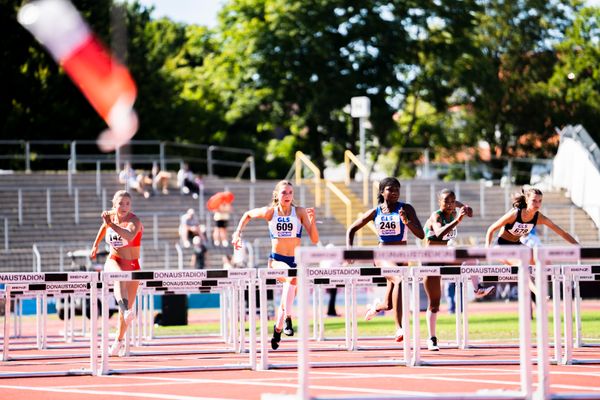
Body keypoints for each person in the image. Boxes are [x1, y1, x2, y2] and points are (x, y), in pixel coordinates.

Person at [231, 180, 319, 350]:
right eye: (284, 192)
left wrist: (312, 221)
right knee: (291, 276)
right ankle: (288, 319)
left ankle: (278, 330)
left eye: (290, 193)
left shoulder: (299, 212)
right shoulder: (270, 212)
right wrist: (237, 233)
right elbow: (247, 214)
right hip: (276, 261)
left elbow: (314, 239)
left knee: (288, 295)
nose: (287, 196)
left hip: (294, 261)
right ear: (277, 195)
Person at [346, 177, 424, 343]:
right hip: (382, 255)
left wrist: (407, 222)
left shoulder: (406, 208)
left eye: (397, 189)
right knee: (399, 279)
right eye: (390, 189)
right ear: (382, 192)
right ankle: (399, 328)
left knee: (388, 304)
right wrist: (349, 252)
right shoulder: (376, 212)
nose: (395, 192)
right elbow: (351, 229)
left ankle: (376, 307)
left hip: (402, 257)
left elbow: (421, 235)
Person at [422, 189, 493, 351]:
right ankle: (431, 339)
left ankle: (477, 288)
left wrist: (467, 208)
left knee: (471, 258)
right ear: (439, 202)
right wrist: (458, 220)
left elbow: (469, 212)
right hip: (430, 259)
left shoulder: (454, 209)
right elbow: (439, 233)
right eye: (445, 202)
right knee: (434, 304)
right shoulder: (437, 216)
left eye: (452, 202)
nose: (449, 205)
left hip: (446, 256)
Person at [485, 187, 578, 309]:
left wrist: (579, 248)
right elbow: (491, 229)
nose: (537, 204)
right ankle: (538, 292)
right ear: (527, 200)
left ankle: (542, 289)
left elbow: (562, 232)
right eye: (534, 200)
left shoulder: (539, 217)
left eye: (540, 201)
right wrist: (487, 250)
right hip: (502, 247)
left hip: (518, 246)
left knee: (542, 259)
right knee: (521, 264)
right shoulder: (515, 213)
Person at [90, 190, 143, 357]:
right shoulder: (110, 217)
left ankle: (118, 340)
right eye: (120, 203)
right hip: (114, 260)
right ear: (114, 204)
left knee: (125, 315)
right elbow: (103, 228)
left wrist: (111, 225)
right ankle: (126, 310)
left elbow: (129, 234)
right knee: (118, 276)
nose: (124, 207)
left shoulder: (134, 221)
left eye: (127, 203)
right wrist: (95, 245)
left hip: (133, 266)